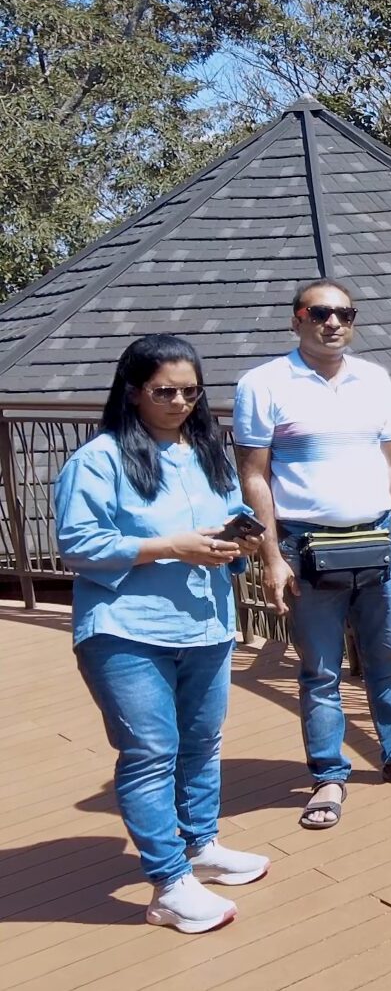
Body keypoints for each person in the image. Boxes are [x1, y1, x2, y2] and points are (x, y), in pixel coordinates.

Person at [54, 334, 272, 934]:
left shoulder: (206, 453)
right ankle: (168, 884)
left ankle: (200, 845)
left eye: (190, 392)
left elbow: (231, 524)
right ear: (132, 392)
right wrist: (169, 547)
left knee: (202, 741)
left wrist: (240, 546)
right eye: (165, 392)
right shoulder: (97, 460)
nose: (180, 402)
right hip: (126, 630)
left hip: (204, 624)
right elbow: (77, 544)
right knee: (151, 751)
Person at [233, 278, 391, 832]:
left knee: (388, 658)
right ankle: (329, 776)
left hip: (377, 537)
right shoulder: (264, 384)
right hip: (304, 545)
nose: (333, 322)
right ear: (297, 319)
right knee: (319, 670)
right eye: (319, 313)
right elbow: (254, 475)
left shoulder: (374, 380)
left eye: (344, 313)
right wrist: (271, 555)